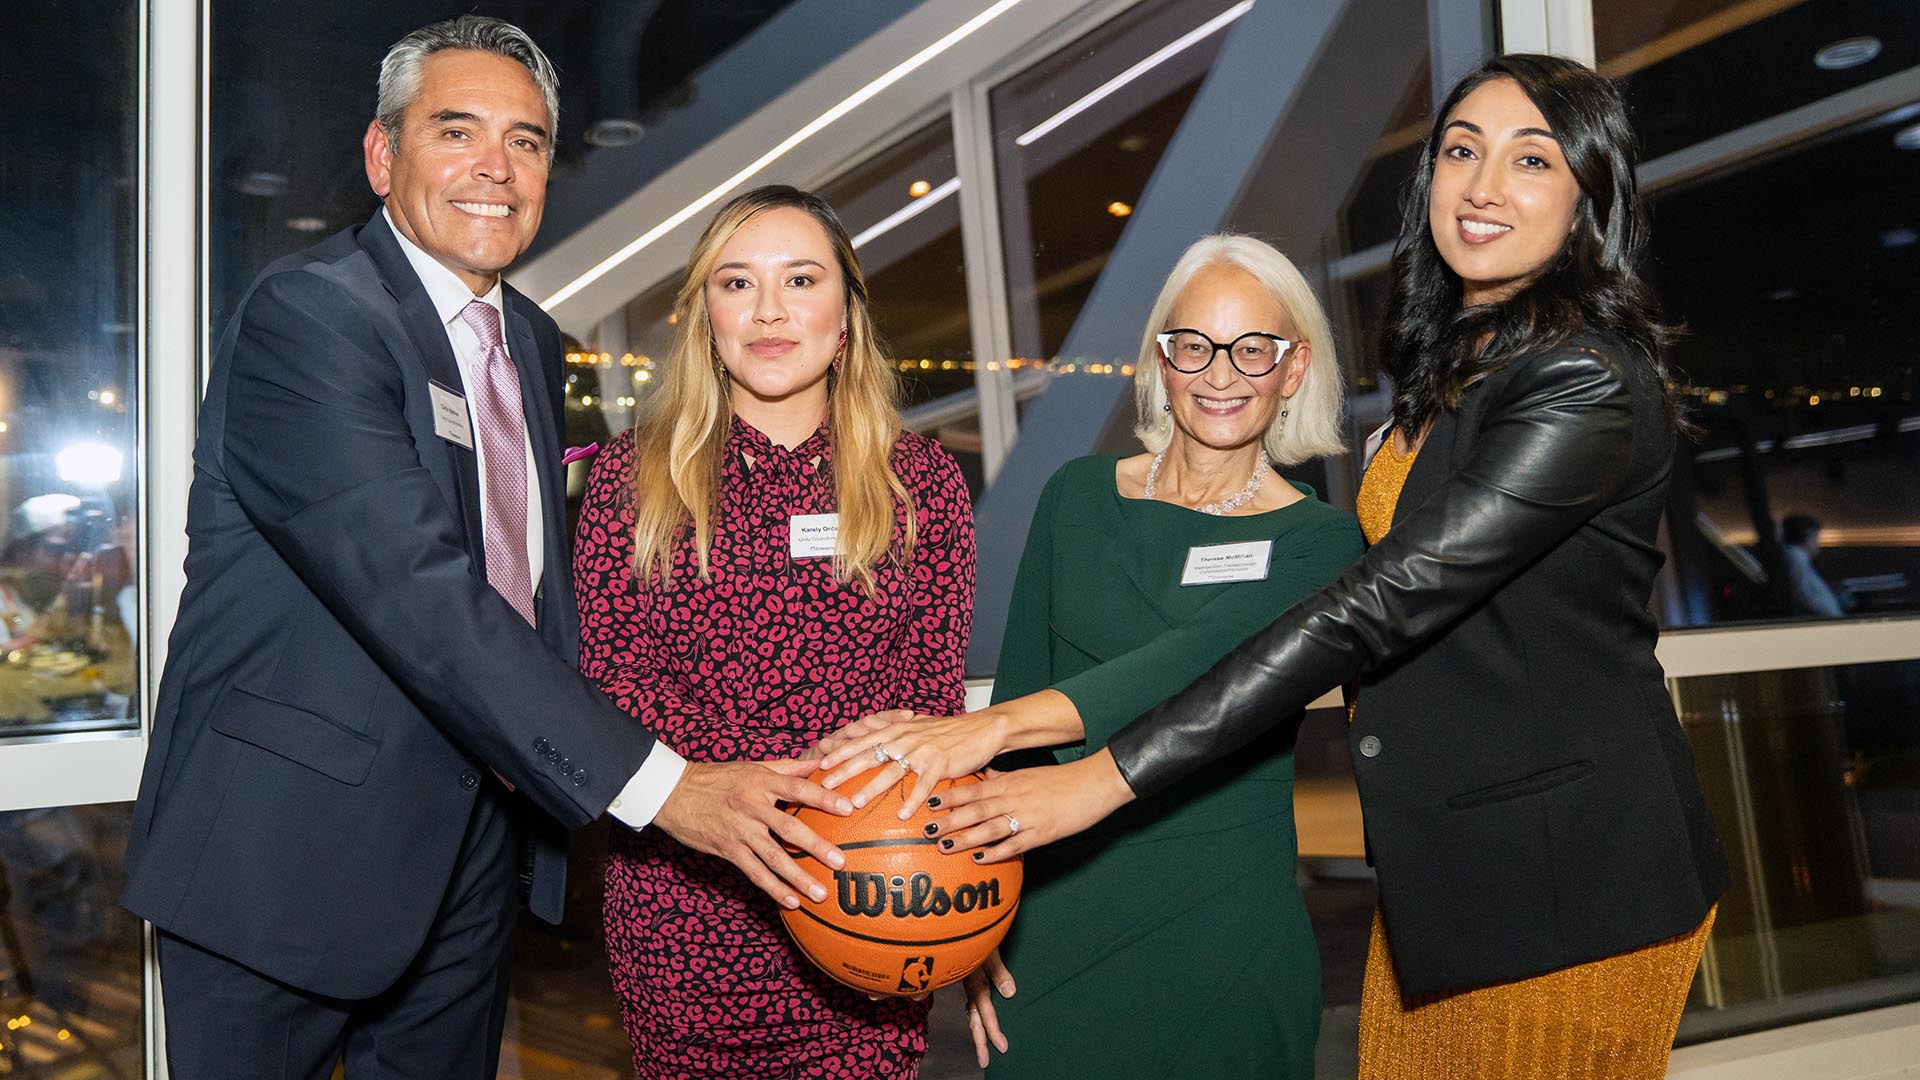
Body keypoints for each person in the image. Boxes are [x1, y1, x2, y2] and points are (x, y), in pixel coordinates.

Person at [829, 54, 1731, 1079]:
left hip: (1571, 877)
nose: (1482, 186)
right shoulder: (1464, 370)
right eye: (1461, 151)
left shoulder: (1580, 379)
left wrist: (1092, 779)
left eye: (1531, 160)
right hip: (1454, 873)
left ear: (1585, 200)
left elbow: (1375, 605)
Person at [121, 20, 851, 1078]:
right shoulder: (312, 316)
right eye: (455, 131)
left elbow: (535, 584)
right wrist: (662, 787)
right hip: (277, 861)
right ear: (383, 157)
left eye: (527, 141)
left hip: (467, 858)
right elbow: (418, 591)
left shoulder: (530, 339)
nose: (495, 170)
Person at [831, 234, 1358, 1077]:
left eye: (1252, 350)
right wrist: (978, 916)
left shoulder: (1321, 544)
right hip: (1055, 925)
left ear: (1293, 370)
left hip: (1223, 936)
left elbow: (1204, 661)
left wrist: (986, 728)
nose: (1220, 375)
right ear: (1162, 360)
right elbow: (1028, 693)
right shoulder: (1075, 494)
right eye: (1196, 346)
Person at [573, 185, 975, 1078]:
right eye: (737, 283)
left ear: (846, 315)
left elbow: (932, 709)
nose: (768, 312)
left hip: (873, 893)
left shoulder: (923, 484)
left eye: (800, 279)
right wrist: (721, 787)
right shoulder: (629, 480)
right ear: (705, 315)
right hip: (684, 904)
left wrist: (951, 888)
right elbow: (610, 679)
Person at [1780, 513, 1848, 617]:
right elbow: (1807, 596)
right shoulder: (1797, 559)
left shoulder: (1796, 558)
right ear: (1807, 535)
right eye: (1816, 537)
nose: (1817, 543)